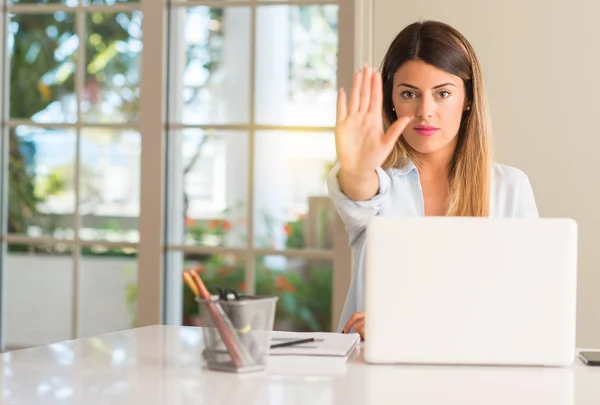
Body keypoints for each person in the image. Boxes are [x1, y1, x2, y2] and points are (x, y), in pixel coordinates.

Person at [327, 20, 539, 340]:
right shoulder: (377, 180)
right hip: (373, 379)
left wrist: (405, 324)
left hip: (478, 377)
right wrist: (356, 171)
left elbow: (525, 307)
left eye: (442, 94)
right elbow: (361, 193)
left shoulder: (510, 188)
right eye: (409, 93)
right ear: (391, 100)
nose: (425, 111)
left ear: (467, 99)